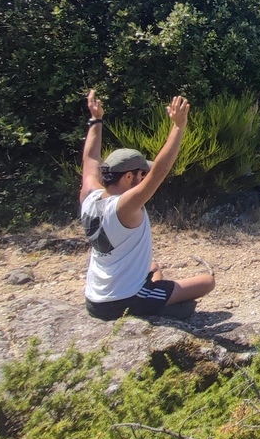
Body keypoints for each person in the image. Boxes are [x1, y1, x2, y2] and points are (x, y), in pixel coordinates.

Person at [79, 89, 215, 320]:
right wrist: (178, 127)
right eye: (142, 174)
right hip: (124, 301)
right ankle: (159, 311)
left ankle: (156, 296)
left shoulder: (90, 196)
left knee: (154, 268)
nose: (144, 178)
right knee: (207, 282)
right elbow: (160, 171)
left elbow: (91, 159)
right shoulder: (124, 207)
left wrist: (96, 119)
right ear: (128, 177)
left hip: (94, 300)